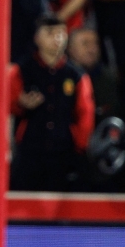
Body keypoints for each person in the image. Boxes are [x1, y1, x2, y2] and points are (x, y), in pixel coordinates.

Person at [9, 15, 95, 192]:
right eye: (50, 33)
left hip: (64, 150)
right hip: (29, 149)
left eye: (61, 33)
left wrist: (80, 146)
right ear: (37, 38)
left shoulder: (77, 75)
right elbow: (7, 107)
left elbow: (85, 113)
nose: (57, 38)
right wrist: (21, 104)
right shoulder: (21, 70)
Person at [67, 27, 120, 124]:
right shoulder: (61, 76)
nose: (92, 49)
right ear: (70, 48)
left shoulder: (108, 79)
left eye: (95, 43)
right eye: (85, 43)